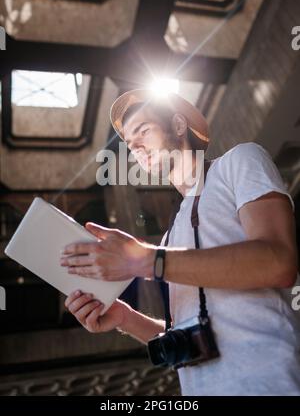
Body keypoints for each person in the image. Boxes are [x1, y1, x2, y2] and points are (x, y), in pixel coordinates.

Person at [61, 89, 300, 396]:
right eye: (130, 145)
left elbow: (278, 263)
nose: (136, 147)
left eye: (143, 131)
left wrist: (145, 260)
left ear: (177, 125)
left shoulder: (239, 161)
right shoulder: (170, 236)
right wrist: (124, 317)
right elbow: (186, 335)